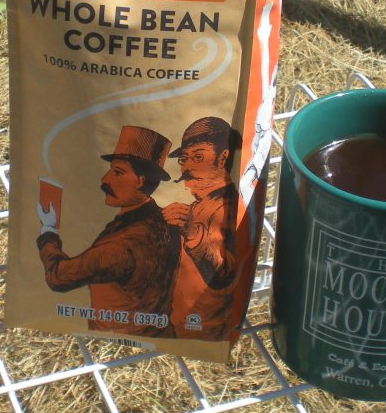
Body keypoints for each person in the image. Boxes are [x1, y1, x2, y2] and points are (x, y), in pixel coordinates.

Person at [35, 125, 179, 337]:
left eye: (117, 172)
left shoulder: (121, 247)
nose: (105, 179)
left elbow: (58, 277)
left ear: (139, 181)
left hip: (119, 336)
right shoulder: (162, 221)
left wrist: (48, 231)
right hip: (162, 333)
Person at [162, 116, 241, 339]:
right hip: (178, 322)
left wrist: (193, 233)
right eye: (184, 159)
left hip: (208, 329)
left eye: (198, 157)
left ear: (223, 157)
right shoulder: (197, 207)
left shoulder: (227, 207)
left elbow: (224, 275)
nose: (187, 167)